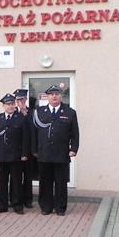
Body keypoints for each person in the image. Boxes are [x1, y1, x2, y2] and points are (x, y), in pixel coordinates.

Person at [32, 85, 79, 216]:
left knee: (61, 182)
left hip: (61, 153)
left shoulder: (69, 112)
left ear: (61, 96)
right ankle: (46, 207)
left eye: (57, 94)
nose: (54, 96)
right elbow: (34, 133)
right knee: (45, 182)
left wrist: (73, 149)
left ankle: (60, 208)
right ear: (47, 96)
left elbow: (75, 133)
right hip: (44, 153)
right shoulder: (39, 112)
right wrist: (34, 149)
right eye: (51, 94)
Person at [0, 93, 30, 214]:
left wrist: (24, 154)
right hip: (2, 155)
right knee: (2, 181)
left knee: (16, 181)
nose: (10, 106)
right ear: (3, 106)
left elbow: (25, 138)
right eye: (8, 104)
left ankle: (17, 205)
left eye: (12, 104)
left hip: (16, 155)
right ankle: (2, 205)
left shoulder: (21, 118)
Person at [15, 89, 36, 208]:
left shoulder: (32, 112)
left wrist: (25, 114)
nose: (21, 102)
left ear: (26, 99)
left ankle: (28, 200)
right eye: (18, 99)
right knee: (16, 177)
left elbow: (33, 129)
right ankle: (15, 199)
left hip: (28, 150)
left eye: (22, 99)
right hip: (15, 150)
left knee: (28, 177)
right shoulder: (12, 111)